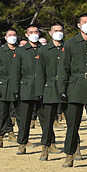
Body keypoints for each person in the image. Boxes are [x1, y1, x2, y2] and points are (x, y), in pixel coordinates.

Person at [58, 15, 87, 167]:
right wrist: (62, 89)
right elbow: (63, 68)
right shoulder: (70, 44)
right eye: (84, 22)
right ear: (78, 25)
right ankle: (69, 154)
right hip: (74, 87)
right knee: (73, 124)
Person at [13, 25, 45, 154]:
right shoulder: (20, 51)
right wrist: (15, 90)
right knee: (25, 118)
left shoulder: (44, 49)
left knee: (45, 118)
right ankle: (22, 143)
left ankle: (49, 143)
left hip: (42, 87)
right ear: (26, 35)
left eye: (36, 32)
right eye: (31, 32)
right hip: (26, 87)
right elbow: (15, 72)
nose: (34, 34)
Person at [36, 22, 64, 160]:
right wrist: (40, 92)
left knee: (72, 121)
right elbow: (40, 73)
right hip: (50, 88)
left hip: (66, 87)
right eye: (56, 30)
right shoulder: (44, 50)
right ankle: (45, 148)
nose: (58, 32)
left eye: (60, 30)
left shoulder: (68, 47)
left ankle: (75, 148)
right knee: (47, 122)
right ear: (50, 33)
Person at [0, 29, 19, 147]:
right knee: (2, 114)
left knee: (19, 114)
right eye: (10, 35)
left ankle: (20, 138)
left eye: (14, 35)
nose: (12, 37)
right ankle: (0, 137)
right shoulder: (0, 52)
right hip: (4, 87)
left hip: (19, 86)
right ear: (5, 37)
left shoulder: (21, 50)